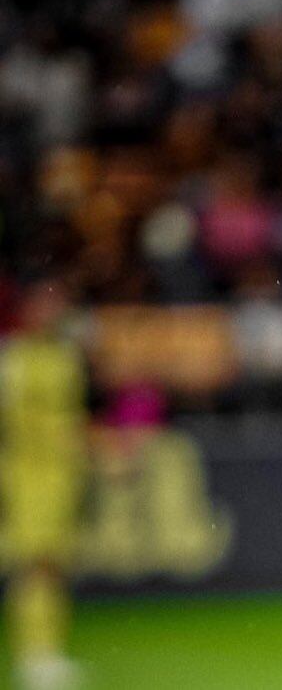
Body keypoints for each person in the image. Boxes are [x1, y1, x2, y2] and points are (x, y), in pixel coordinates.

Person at [1, 278, 87, 690]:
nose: (54, 312)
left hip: (63, 478)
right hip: (25, 476)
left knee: (52, 567)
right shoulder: (13, 358)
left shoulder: (67, 356)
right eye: (46, 303)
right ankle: (33, 654)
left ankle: (48, 650)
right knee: (34, 566)